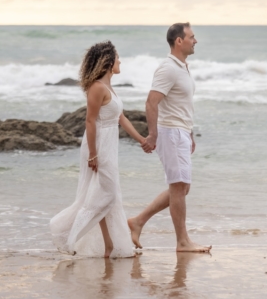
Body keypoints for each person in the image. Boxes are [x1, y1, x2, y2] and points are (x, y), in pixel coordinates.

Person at [50, 41, 146, 258]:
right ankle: (68, 237)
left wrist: (142, 139)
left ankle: (109, 245)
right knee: (105, 194)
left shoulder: (110, 88)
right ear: (108, 61)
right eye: (117, 57)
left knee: (105, 195)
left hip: (109, 146)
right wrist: (93, 153)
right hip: (98, 146)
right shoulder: (96, 87)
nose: (120, 61)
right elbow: (90, 122)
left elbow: (121, 118)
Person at [128, 23, 211, 253]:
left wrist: (190, 132)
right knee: (178, 188)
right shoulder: (168, 68)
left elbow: (181, 104)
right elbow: (151, 101)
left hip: (181, 132)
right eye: (192, 37)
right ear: (179, 41)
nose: (195, 41)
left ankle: (138, 221)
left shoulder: (182, 67)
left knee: (183, 188)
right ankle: (182, 242)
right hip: (170, 133)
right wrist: (152, 135)